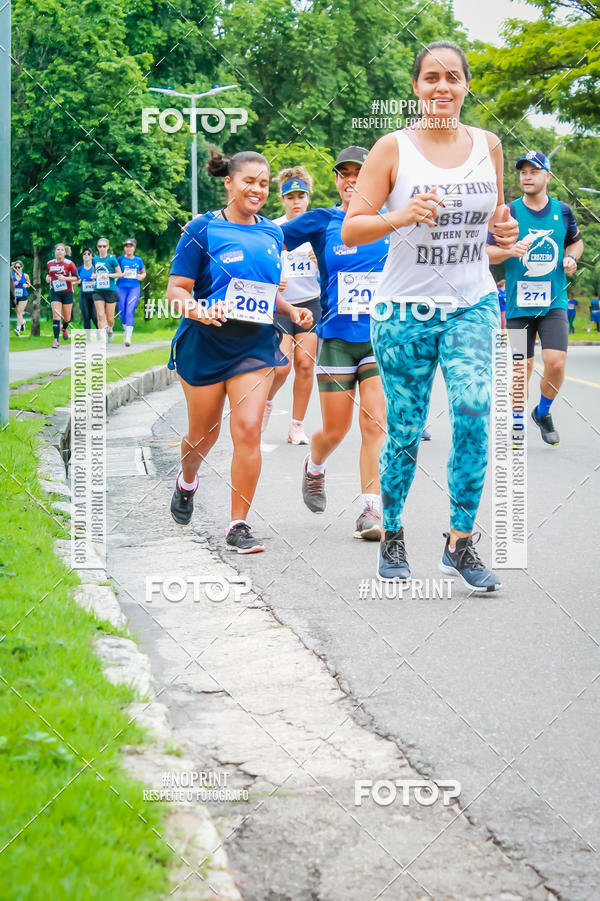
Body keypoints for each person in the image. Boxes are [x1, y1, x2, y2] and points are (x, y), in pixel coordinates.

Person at [342, 40, 519, 590]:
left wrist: (505, 233)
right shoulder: (393, 148)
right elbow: (352, 229)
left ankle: (460, 541)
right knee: (405, 429)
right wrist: (401, 215)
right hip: (403, 312)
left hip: (472, 302)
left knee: (473, 408)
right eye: (431, 78)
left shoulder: (488, 145)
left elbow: (494, 225)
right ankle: (392, 531)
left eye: (453, 78)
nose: (442, 87)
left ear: (467, 85)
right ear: (416, 87)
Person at [166, 149, 313, 553]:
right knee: (203, 435)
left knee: (247, 430)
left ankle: (238, 524)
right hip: (206, 343)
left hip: (253, 344)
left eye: (264, 184)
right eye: (249, 181)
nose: (258, 190)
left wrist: (292, 310)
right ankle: (187, 481)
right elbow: (176, 291)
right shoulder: (201, 229)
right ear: (229, 182)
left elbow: (264, 293)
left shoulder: (273, 233)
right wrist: (200, 309)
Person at [281, 146, 389, 541]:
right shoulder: (323, 221)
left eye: (359, 173)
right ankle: (315, 463)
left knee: (375, 421)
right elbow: (269, 237)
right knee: (334, 429)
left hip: (379, 337)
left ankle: (370, 511)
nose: (351, 180)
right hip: (338, 337)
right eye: (344, 174)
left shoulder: (391, 218)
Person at [487, 150, 583, 446]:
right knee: (521, 367)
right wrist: (508, 251)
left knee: (555, 362)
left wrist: (571, 258)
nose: (527, 176)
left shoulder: (562, 211)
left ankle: (542, 412)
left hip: (553, 302)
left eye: (534, 171)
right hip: (519, 305)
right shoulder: (508, 212)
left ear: (547, 176)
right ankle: (516, 423)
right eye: (523, 171)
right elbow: (487, 253)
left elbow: (576, 243)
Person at [261, 167, 321, 444]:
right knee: (282, 366)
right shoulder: (273, 229)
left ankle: (296, 426)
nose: (296, 202)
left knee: (306, 365)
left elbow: (338, 265)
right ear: (282, 200)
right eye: (290, 197)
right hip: (281, 304)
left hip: (310, 302)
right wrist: (276, 278)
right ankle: (266, 402)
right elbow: (260, 265)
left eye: (301, 196)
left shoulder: (320, 228)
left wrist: (320, 260)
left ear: (308, 198)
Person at [46, 243, 78, 348]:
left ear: (65, 252)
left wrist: (65, 279)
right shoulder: (50, 263)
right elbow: (48, 274)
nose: (60, 251)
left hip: (67, 292)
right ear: (55, 252)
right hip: (55, 292)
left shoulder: (70, 264)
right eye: (58, 249)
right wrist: (47, 278)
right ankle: (56, 340)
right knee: (56, 315)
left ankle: (64, 328)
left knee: (67, 318)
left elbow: (76, 278)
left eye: (62, 250)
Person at [117, 238, 146, 346]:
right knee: (122, 310)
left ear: (134, 248)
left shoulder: (138, 260)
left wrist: (141, 276)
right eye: (127, 246)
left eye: (131, 246)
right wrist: (121, 274)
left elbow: (143, 273)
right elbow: (115, 273)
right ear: (124, 248)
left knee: (130, 309)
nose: (129, 248)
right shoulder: (120, 259)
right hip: (121, 287)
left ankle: (128, 337)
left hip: (134, 288)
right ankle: (125, 329)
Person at [92, 238, 122, 340]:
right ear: (97, 247)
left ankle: (110, 328)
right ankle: (102, 338)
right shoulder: (95, 259)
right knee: (100, 315)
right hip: (98, 291)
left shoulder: (112, 259)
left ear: (108, 247)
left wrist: (108, 275)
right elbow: (95, 272)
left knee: (110, 319)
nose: (102, 248)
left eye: (104, 246)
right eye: (100, 246)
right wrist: (94, 276)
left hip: (110, 290)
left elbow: (119, 274)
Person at [77, 248, 98, 330]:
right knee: (86, 316)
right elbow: (75, 280)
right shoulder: (79, 269)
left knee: (95, 316)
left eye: (88, 254)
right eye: (84, 254)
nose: (86, 255)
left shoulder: (95, 268)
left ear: (92, 256)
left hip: (94, 295)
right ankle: (88, 339)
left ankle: (100, 335)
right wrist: (77, 282)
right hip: (84, 295)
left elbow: (102, 280)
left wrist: (96, 282)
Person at [11, 261, 32, 336]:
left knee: (19, 312)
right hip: (15, 296)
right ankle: (22, 322)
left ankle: (18, 329)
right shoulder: (12, 276)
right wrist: (13, 284)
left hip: (23, 296)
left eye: (18, 267)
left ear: (22, 267)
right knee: (17, 312)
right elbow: (9, 285)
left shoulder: (25, 275)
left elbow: (29, 284)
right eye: (15, 267)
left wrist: (26, 285)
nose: (17, 269)